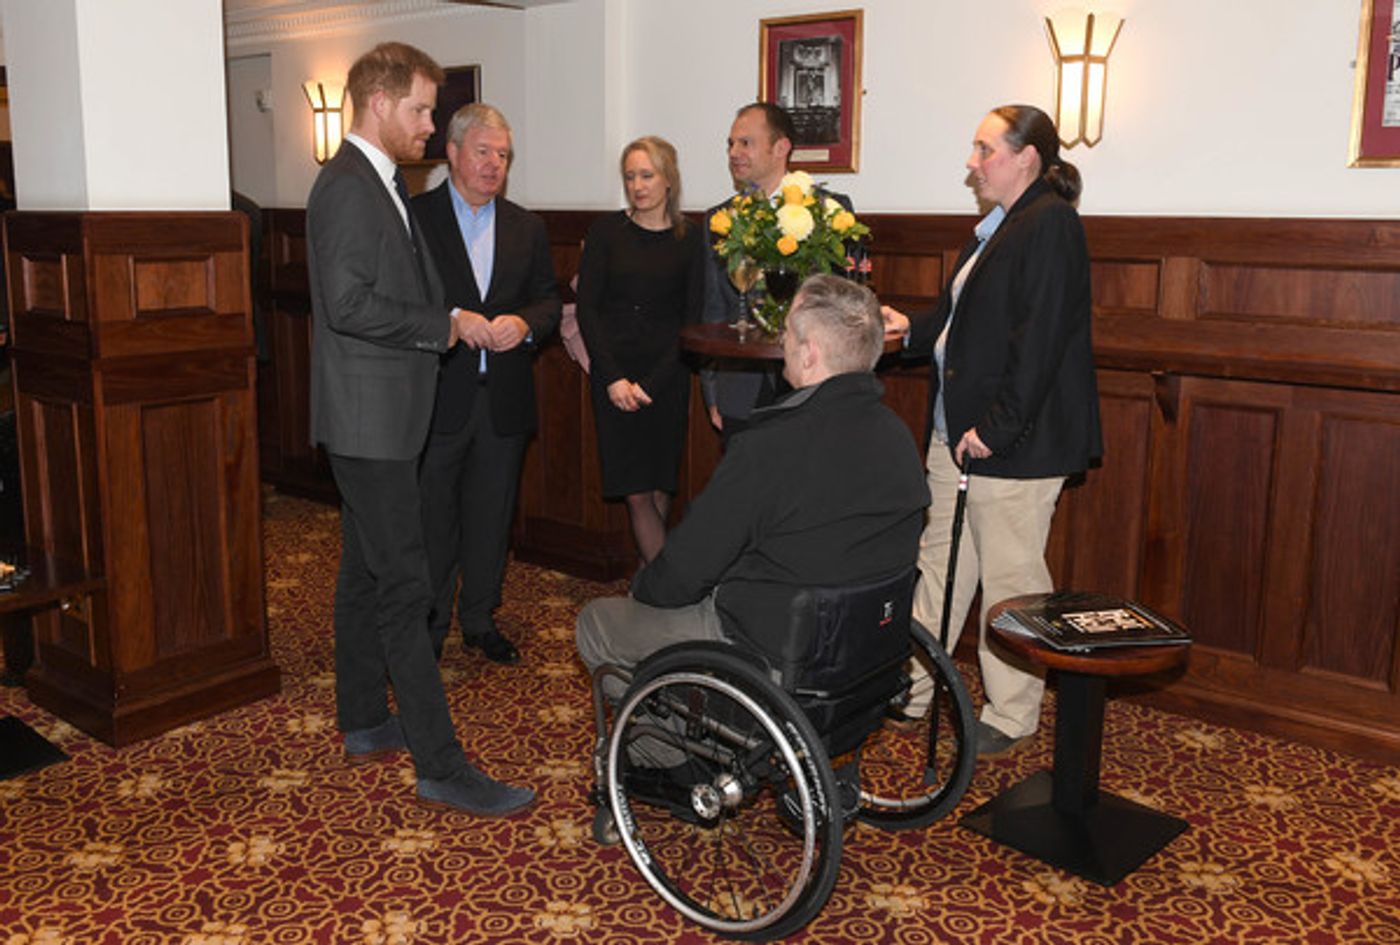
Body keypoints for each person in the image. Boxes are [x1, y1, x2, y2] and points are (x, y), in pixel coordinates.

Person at [305, 42, 533, 817]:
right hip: (368, 418)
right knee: (406, 586)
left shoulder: (382, 183)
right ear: (379, 104)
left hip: (386, 416)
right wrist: (440, 324)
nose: (431, 126)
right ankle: (441, 764)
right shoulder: (345, 186)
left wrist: (452, 315)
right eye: (422, 109)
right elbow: (347, 303)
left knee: (363, 574)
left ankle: (367, 717)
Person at [577, 274, 929, 698]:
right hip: (866, 645)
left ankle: (662, 748)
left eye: (788, 333)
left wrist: (644, 591)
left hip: (773, 648)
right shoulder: (899, 436)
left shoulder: (770, 446)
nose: (783, 342)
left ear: (810, 352)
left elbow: (683, 573)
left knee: (598, 622)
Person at [883, 103, 1103, 757]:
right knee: (937, 566)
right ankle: (912, 688)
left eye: (984, 150)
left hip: (1011, 442)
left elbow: (1038, 338)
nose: (973, 163)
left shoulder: (1051, 223)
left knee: (1009, 579)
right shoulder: (998, 228)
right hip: (961, 435)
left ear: (1026, 157)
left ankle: (1011, 713)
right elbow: (956, 320)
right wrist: (905, 331)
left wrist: (997, 427)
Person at [413, 103, 561, 665]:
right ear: (452, 153)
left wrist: (525, 324)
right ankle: (428, 624)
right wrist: (454, 318)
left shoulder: (527, 225)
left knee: (491, 516)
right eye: (483, 152)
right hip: (436, 396)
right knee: (433, 519)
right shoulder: (416, 218)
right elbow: (405, 300)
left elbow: (548, 298)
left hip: (503, 399)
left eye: (503, 155)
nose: (494, 164)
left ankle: (478, 617)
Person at [574, 136, 705, 565]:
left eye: (646, 175)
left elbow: (691, 317)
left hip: (666, 378)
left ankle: (653, 583)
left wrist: (652, 383)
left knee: (659, 485)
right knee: (635, 492)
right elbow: (588, 309)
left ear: (669, 179)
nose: (637, 185)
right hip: (614, 376)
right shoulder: (607, 232)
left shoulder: (691, 239)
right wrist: (611, 377)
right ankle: (664, 590)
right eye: (630, 176)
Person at [700, 102, 853, 439]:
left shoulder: (829, 210)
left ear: (781, 147)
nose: (734, 153)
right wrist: (713, 391)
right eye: (731, 144)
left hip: (812, 385)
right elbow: (713, 308)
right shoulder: (719, 220)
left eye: (746, 143)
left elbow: (842, 308)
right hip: (740, 387)